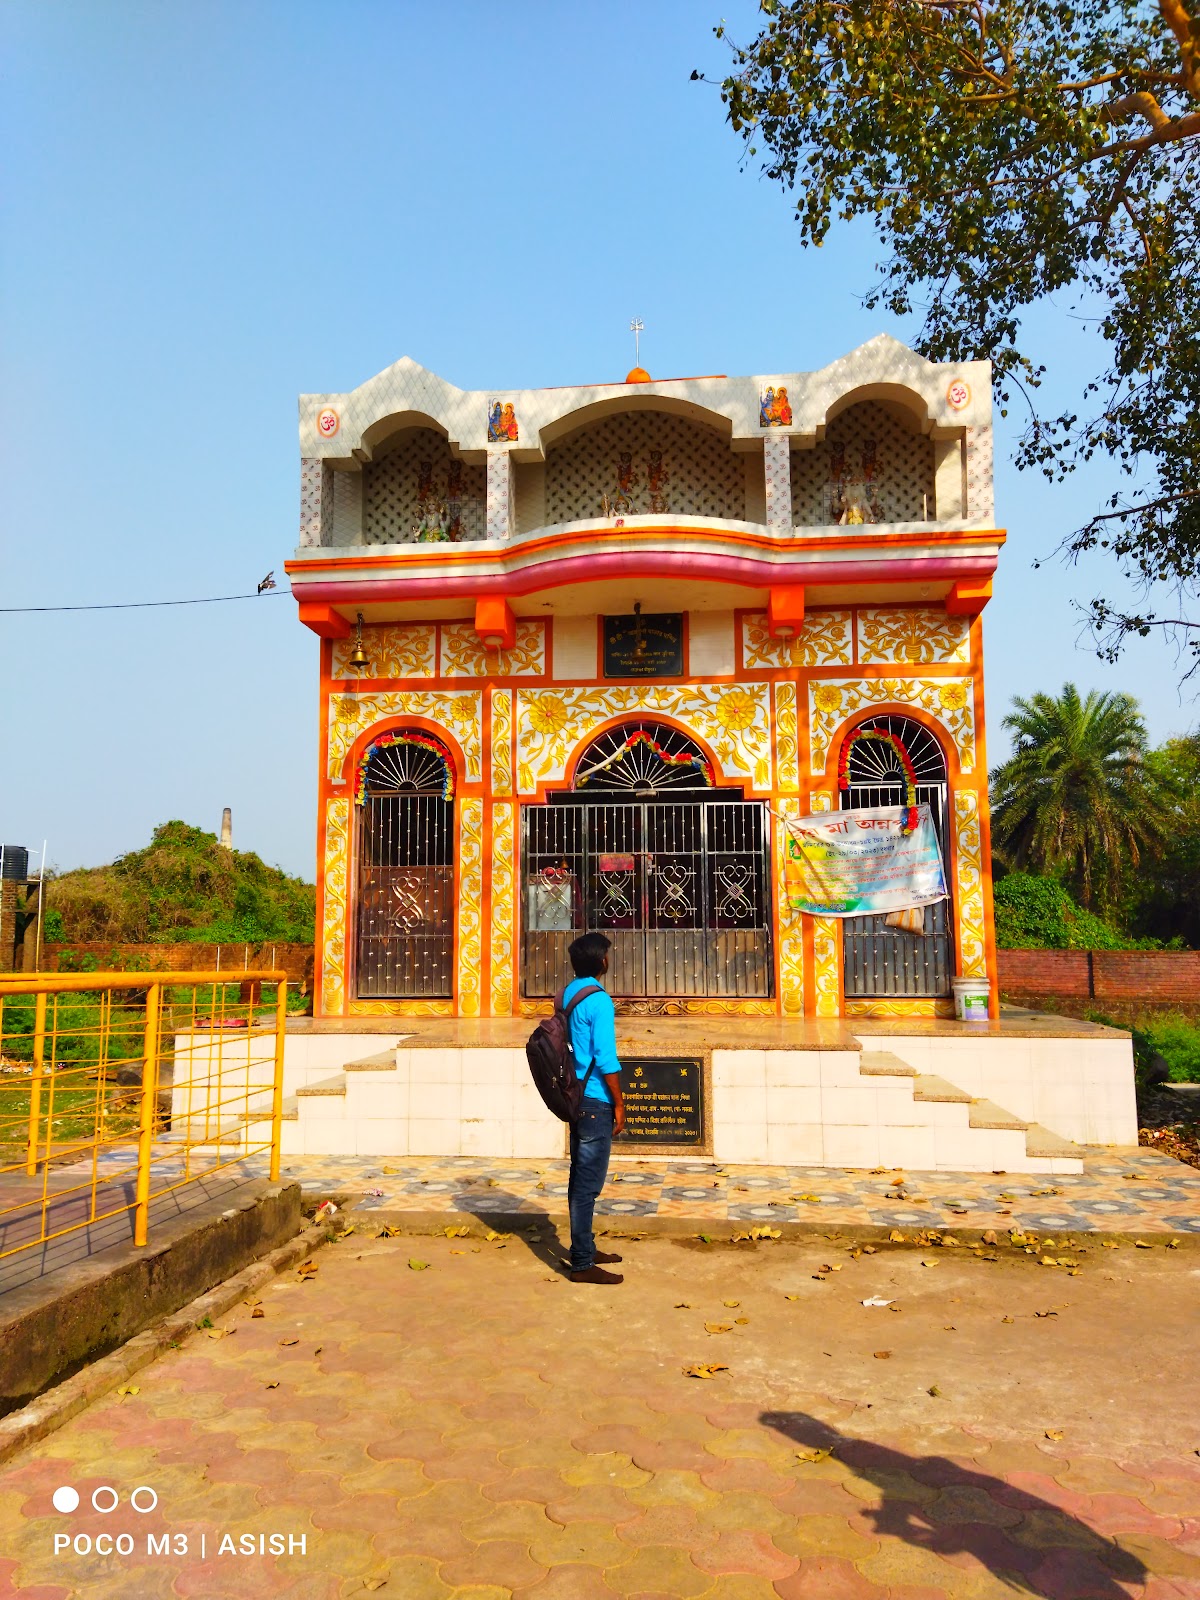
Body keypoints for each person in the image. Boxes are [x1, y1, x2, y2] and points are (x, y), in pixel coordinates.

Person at [563, 931, 626, 1284]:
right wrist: (619, 1102)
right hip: (595, 1098)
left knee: (580, 1178)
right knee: (588, 1184)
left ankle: (583, 1246)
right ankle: (582, 1262)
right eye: (607, 955)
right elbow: (605, 1058)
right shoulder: (599, 1001)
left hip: (574, 1093)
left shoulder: (569, 992)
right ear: (601, 961)